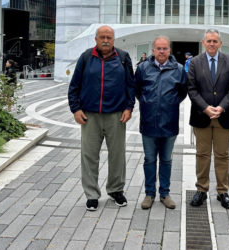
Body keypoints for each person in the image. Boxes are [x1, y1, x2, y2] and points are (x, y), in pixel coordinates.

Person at [68, 25, 135, 211]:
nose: (106, 40)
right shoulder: (86, 57)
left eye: (109, 37)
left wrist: (129, 108)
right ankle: (91, 195)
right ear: (96, 39)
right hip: (90, 116)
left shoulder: (123, 57)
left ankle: (116, 190)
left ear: (114, 39)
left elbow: (131, 85)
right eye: (102, 37)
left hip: (116, 116)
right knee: (89, 156)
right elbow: (74, 86)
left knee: (117, 156)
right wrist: (75, 109)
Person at [188, 29, 229, 209]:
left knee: (222, 155)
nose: (212, 44)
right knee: (202, 155)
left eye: (215, 41)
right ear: (203, 43)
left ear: (220, 43)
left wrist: (222, 107)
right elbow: (191, 89)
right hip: (202, 116)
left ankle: (222, 191)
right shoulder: (195, 62)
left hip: (224, 116)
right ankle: (201, 190)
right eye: (209, 41)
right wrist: (205, 108)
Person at [135, 36, 187, 210]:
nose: (162, 51)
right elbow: (137, 90)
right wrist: (147, 103)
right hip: (148, 122)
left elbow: (183, 92)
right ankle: (149, 194)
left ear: (169, 50)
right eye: (158, 48)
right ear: (153, 50)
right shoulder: (142, 68)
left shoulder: (179, 69)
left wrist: (170, 103)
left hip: (169, 123)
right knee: (149, 160)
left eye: (165, 48)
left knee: (166, 160)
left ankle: (164, 193)